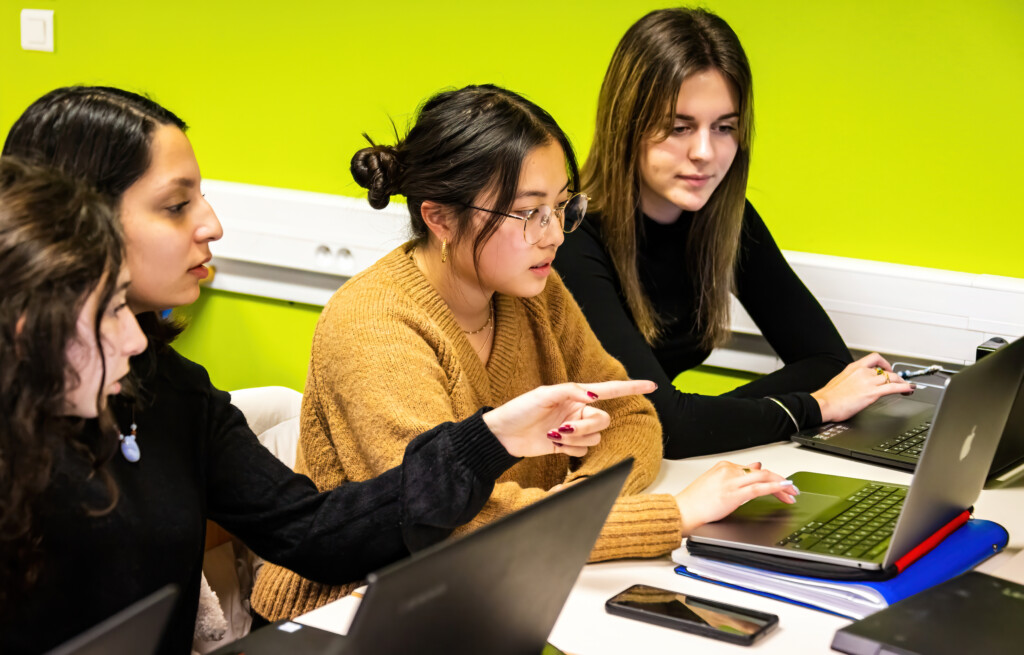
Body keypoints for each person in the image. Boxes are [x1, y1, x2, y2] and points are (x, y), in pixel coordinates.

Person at [0, 87, 658, 654]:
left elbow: (309, 530)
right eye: (176, 205)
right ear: (66, 231)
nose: (214, 225)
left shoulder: (170, 387)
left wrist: (486, 442)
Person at [250, 84, 800, 621]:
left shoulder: (532, 290)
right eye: (529, 212)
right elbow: (451, 524)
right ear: (440, 217)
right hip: (349, 613)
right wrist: (671, 514)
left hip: (507, 586)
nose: (555, 235)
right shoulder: (374, 326)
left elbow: (632, 414)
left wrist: (583, 505)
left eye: (562, 206)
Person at [556, 8, 914, 459]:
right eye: (678, 127)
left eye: (724, 128)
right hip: (561, 484)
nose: (705, 152)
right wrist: (817, 407)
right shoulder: (570, 237)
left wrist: (699, 419)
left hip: (646, 463)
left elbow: (826, 363)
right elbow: (670, 426)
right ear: (626, 125)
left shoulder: (725, 217)